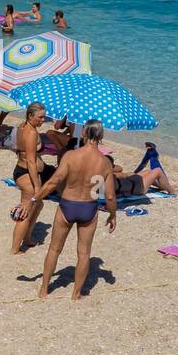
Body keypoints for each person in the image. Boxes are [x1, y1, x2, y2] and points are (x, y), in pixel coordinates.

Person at [21, 122, 116, 300]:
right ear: (101, 136)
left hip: (67, 206)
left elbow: (54, 181)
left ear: (85, 133)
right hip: (88, 208)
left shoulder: (71, 156)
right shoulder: (104, 163)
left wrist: (34, 199)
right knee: (84, 253)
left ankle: (43, 289)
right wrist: (112, 215)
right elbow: (110, 196)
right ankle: (76, 294)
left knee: (54, 250)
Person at [9, 102, 57, 256]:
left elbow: (20, 150)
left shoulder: (22, 126)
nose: (43, 120)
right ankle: (15, 249)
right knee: (25, 210)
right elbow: (30, 161)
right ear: (30, 116)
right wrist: (37, 187)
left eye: (45, 117)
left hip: (25, 171)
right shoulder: (31, 133)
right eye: (40, 117)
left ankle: (28, 237)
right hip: (27, 174)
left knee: (39, 204)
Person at [113, 142, 178, 196]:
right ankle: (172, 191)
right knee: (158, 171)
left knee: (149, 171)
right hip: (136, 188)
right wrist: (111, 167)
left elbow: (120, 172)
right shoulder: (109, 176)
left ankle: (164, 186)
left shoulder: (105, 175)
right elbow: (119, 169)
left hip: (131, 183)